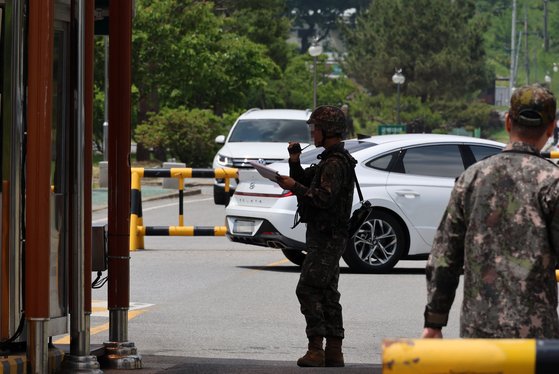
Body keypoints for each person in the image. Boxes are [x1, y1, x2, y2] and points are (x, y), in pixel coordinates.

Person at [422, 84, 559, 339]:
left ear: (508, 122)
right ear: (551, 129)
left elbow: (444, 258)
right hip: (537, 336)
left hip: (480, 331)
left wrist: (435, 321)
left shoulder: (472, 178)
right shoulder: (552, 181)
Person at [276, 105, 356, 367]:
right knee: (328, 292)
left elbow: (322, 198)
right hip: (327, 236)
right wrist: (294, 160)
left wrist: (295, 187)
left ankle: (316, 349)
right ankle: (334, 351)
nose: (313, 133)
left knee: (308, 289)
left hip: (327, 237)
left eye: (316, 128)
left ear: (328, 130)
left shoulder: (334, 164)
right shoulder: (330, 160)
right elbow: (306, 180)